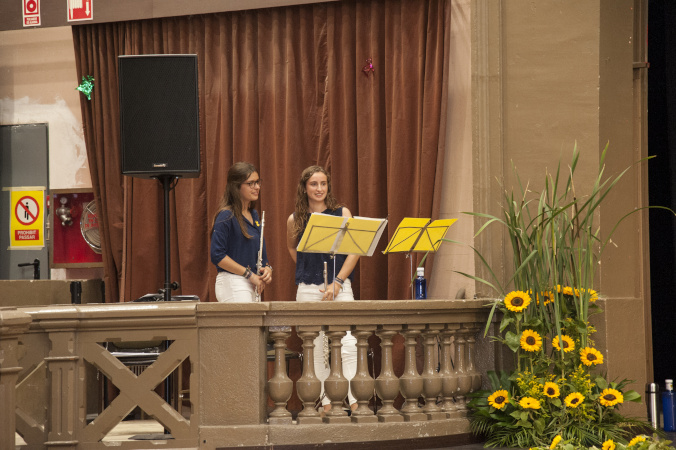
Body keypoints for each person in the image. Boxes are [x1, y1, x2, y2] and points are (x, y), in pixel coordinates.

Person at [286, 165, 358, 413]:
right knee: (315, 348)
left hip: (340, 286)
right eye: (314, 184)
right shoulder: (295, 218)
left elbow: (354, 250)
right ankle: (326, 402)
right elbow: (292, 249)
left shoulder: (342, 212)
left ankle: (353, 399)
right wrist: (310, 270)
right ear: (304, 187)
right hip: (308, 289)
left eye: (323, 183)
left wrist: (337, 281)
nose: (319, 189)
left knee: (347, 345)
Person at [211, 162, 272, 302]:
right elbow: (217, 256)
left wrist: (268, 269)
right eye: (251, 183)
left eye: (257, 182)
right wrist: (250, 274)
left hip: (251, 282)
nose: (257, 187)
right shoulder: (226, 216)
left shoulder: (254, 215)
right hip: (232, 281)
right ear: (236, 186)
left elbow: (261, 255)